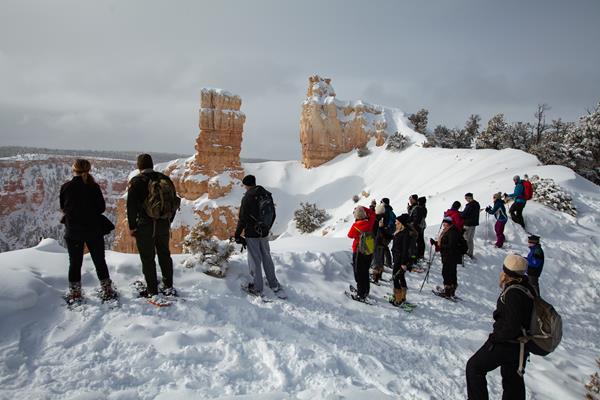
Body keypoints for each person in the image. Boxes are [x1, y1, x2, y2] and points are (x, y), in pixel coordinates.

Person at [466, 254, 535, 400]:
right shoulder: (528, 287)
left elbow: (512, 326)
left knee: (474, 368)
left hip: (507, 344)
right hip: (521, 345)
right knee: (513, 382)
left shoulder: (513, 293)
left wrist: (495, 338)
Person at [60, 159, 117, 302]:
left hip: (73, 231)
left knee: (74, 263)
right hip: (93, 230)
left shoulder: (66, 187)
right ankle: (107, 290)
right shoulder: (93, 187)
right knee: (99, 261)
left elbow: (63, 207)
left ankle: (75, 293)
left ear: (74, 169)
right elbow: (101, 208)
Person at [127, 154, 179, 299]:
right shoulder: (164, 179)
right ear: (152, 164)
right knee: (164, 254)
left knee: (148, 258)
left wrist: (132, 226)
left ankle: (152, 290)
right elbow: (174, 203)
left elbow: (130, 207)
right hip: (163, 224)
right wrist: (168, 221)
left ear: (139, 166)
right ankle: (168, 286)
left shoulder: (136, 182)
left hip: (145, 226)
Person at [234, 174, 281, 296]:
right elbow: (273, 214)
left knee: (255, 259)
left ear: (246, 185)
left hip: (252, 233)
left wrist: (237, 234)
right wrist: (266, 228)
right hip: (264, 232)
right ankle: (274, 284)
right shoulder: (266, 194)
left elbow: (242, 218)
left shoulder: (247, 197)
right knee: (267, 257)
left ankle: (257, 287)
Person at [347, 204, 375, 300]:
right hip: (369, 251)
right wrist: (363, 208)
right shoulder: (369, 222)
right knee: (365, 271)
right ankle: (366, 291)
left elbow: (350, 235)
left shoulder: (356, 226)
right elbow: (372, 214)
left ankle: (360, 294)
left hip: (359, 251)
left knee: (359, 273)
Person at [431, 216, 461, 297]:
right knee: (452, 273)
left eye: (445, 222)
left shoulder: (452, 232)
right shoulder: (449, 230)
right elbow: (446, 242)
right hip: (451, 256)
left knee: (446, 273)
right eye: (443, 222)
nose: (444, 224)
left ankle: (448, 291)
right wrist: (436, 243)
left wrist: (440, 246)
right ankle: (451, 290)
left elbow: (451, 245)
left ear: (449, 223)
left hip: (450, 256)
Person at [390, 214, 417, 306]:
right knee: (401, 277)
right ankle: (402, 297)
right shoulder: (400, 231)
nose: (395, 223)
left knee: (395, 277)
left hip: (400, 260)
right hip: (398, 258)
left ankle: (398, 299)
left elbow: (405, 249)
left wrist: (403, 263)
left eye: (397, 221)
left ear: (402, 223)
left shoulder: (405, 234)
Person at [371, 203, 388, 284]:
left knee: (376, 261)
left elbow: (375, 233)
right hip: (382, 242)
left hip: (377, 242)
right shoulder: (384, 218)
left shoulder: (376, 220)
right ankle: (379, 276)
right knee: (380, 260)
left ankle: (375, 278)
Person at [461, 193, 481, 259]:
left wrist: (460, 213)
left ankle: (466, 252)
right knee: (470, 239)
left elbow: (464, 214)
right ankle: (470, 253)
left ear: (469, 198)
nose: (466, 199)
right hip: (473, 224)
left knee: (466, 238)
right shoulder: (477, 204)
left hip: (468, 224)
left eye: (466, 198)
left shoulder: (470, 205)